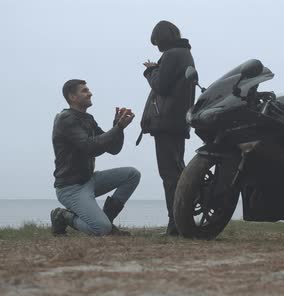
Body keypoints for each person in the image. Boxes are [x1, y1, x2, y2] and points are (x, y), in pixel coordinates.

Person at [51, 79, 140, 236]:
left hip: (89, 180)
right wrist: (117, 128)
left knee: (132, 174)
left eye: (88, 90)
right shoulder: (65, 119)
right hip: (70, 188)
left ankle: (108, 222)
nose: (90, 93)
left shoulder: (88, 119)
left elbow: (113, 149)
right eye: (84, 91)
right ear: (72, 97)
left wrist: (118, 126)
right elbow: (89, 147)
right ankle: (63, 216)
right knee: (100, 228)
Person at [138, 21, 196, 236]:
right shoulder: (184, 54)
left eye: (157, 43)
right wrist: (157, 69)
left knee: (170, 175)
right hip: (176, 121)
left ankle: (176, 224)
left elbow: (160, 86)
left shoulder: (173, 55)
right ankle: (182, 221)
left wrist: (150, 71)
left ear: (161, 38)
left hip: (166, 122)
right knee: (177, 171)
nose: (157, 47)